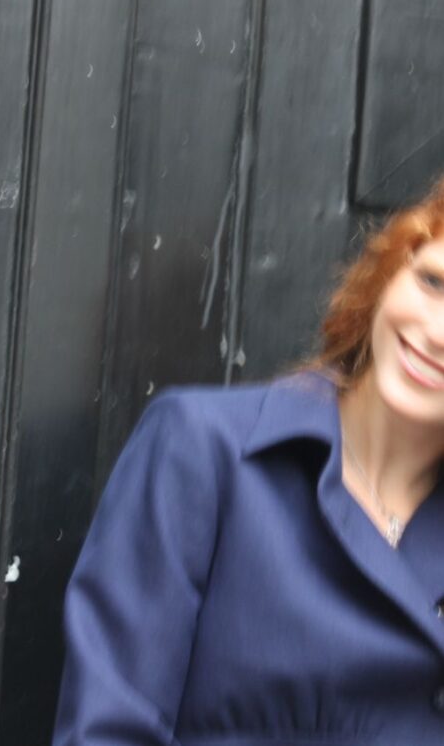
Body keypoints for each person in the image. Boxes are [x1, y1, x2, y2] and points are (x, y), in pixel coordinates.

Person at [52, 179, 444, 746]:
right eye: (432, 282)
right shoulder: (203, 445)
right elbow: (108, 725)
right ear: (388, 277)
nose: (436, 333)